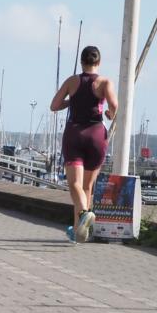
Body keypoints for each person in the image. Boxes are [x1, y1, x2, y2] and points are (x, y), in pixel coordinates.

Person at [50, 45, 118, 243]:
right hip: (97, 135)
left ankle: (85, 215)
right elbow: (114, 106)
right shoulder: (105, 82)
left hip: (75, 134)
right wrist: (109, 114)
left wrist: (72, 101)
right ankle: (79, 232)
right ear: (99, 62)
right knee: (87, 186)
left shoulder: (72, 81)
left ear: (81, 62)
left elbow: (54, 105)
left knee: (75, 185)